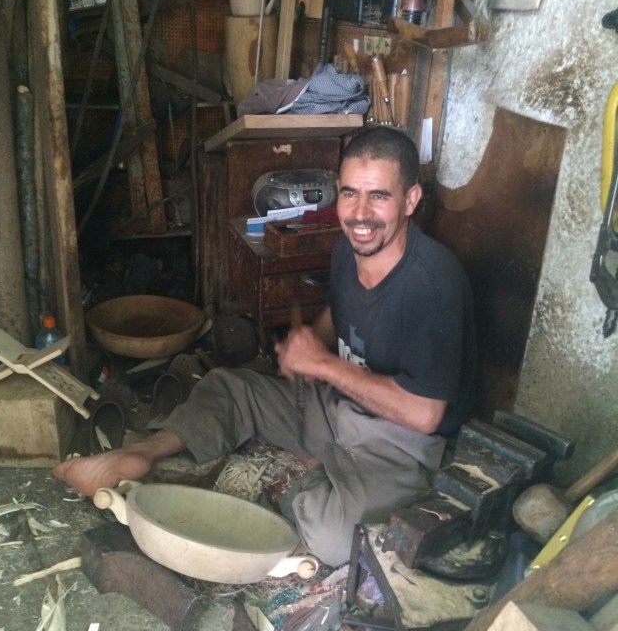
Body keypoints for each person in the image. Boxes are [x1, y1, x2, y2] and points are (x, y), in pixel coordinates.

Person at [54, 127, 476, 567]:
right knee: (229, 387)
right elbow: (341, 310)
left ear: (410, 200)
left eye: (379, 196)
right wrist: (311, 340)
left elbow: (425, 415)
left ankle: (314, 484)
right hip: (339, 406)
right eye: (350, 194)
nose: (360, 214)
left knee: (334, 538)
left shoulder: (433, 285)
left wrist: (323, 365)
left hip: (401, 440)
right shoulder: (348, 248)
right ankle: (142, 454)